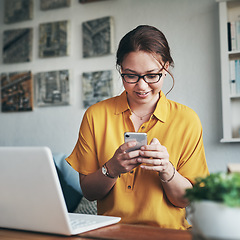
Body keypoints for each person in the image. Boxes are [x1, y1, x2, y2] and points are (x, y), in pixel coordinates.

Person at [66, 25, 209, 230]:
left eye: (152, 75)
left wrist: (167, 170)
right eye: (131, 75)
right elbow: (89, 192)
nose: (142, 86)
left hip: (167, 234)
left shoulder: (187, 120)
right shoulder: (96, 115)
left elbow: (187, 200)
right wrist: (112, 168)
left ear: (166, 68)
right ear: (120, 70)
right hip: (110, 233)